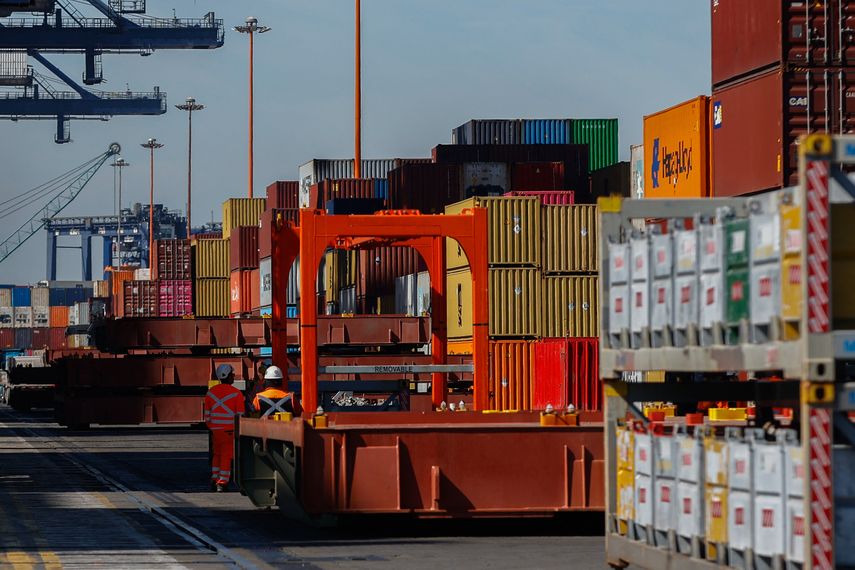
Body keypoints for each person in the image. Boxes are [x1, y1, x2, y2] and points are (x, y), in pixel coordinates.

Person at [204, 363, 245, 492]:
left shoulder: (210, 393)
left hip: (215, 430)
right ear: (227, 376)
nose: (233, 377)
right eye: (232, 375)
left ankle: (214, 477)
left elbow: (207, 415)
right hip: (229, 430)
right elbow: (240, 414)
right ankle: (222, 481)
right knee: (226, 456)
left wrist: (212, 427)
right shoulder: (236, 393)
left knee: (217, 454)